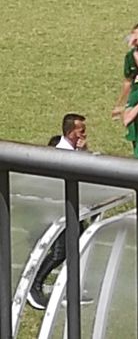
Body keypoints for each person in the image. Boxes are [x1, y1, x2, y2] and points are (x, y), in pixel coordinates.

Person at [27, 114, 89, 310]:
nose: (84, 134)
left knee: (78, 246)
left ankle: (71, 288)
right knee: (60, 252)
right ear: (71, 132)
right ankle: (33, 286)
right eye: (81, 130)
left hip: (73, 207)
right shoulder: (61, 152)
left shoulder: (73, 150)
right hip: (59, 209)